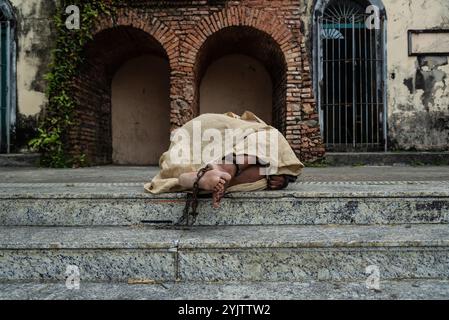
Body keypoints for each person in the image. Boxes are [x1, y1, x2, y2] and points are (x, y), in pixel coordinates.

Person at [145, 111, 304, 208]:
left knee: (266, 169)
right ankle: (221, 169)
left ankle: (192, 177)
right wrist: (282, 174)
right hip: (200, 134)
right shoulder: (250, 126)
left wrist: (282, 179)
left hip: (200, 142)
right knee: (272, 139)